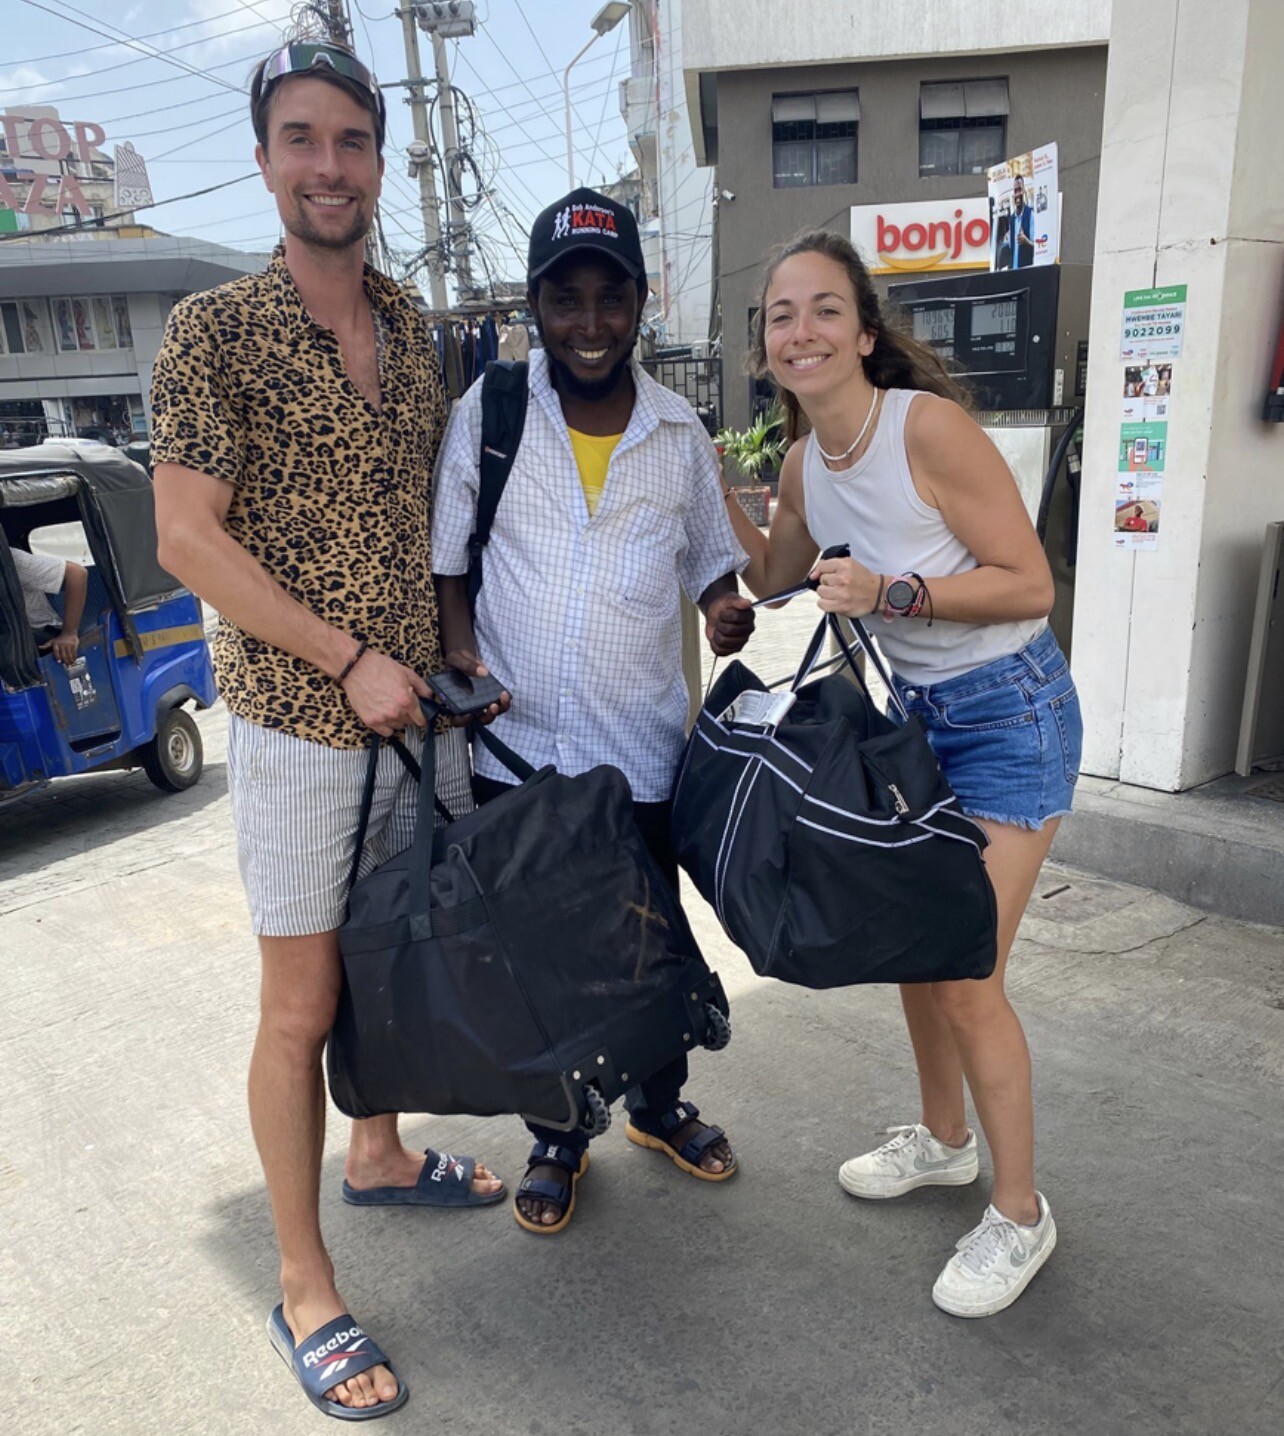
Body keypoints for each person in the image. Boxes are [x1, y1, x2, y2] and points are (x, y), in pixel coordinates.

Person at [149, 39, 505, 1421]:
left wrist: (453, 650)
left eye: (351, 140)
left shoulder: (414, 328)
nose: (329, 165)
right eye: (301, 139)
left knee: (397, 963)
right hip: (303, 725)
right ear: (264, 161)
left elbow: (432, 523)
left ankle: (380, 1153)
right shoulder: (214, 330)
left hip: (416, 716)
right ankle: (304, 1283)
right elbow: (188, 537)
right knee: (300, 1007)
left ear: (379, 162)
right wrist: (345, 657)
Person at [722, 229, 1082, 1318]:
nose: (802, 330)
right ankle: (944, 1138)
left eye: (825, 309)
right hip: (917, 720)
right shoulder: (801, 464)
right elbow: (773, 574)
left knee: (966, 969)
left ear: (866, 333)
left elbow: (1030, 584)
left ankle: (1020, 1210)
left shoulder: (925, 429)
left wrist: (893, 593)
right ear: (765, 345)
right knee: (918, 947)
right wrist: (704, 485)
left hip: (1009, 711)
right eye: (782, 315)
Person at [432, 186, 755, 1235]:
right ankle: (558, 1135)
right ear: (533, 306)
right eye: (564, 299)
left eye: (610, 298)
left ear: (641, 303)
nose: (588, 322)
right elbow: (449, 556)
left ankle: (659, 1106)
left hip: (639, 752)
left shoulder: (678, 432)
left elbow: (709, 561)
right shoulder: (492, 411)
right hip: (516, 747)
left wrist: (722, 609)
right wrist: (461, 652)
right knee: (538, 957)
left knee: (646, 941)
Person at [9, 545, 87, 664]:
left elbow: (77, 574)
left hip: (40, 634)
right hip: (12, 638)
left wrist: (69, 633)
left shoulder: (13, 560)